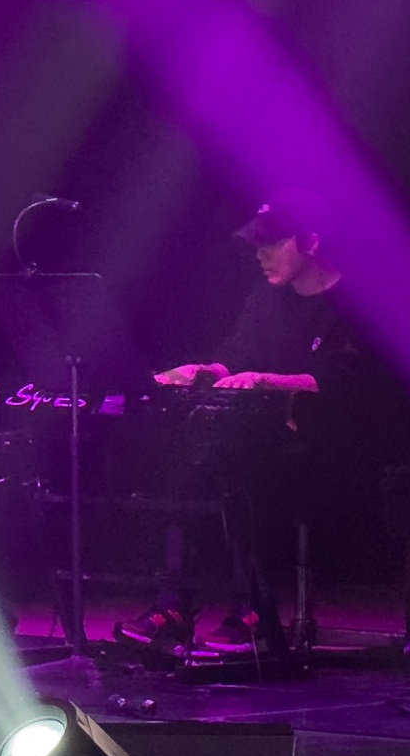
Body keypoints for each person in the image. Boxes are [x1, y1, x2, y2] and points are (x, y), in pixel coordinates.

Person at [123, 189, 370, 654]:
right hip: (260, 436)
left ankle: (255, 609)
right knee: (187, 464)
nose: (261, 255)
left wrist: (266, 381)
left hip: (326, 440)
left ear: (310, 242)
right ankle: (174, 604)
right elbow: (234, 360)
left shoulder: (353, 305)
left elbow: (339, 382)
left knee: (246, 470)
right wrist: (200, 371)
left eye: (272, 244)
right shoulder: (264, 300)